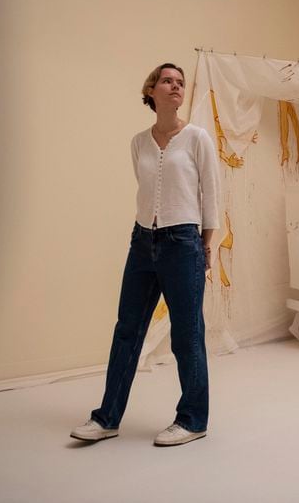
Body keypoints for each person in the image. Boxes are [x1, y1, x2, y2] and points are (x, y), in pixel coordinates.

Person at [70, 62, 220, 447]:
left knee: (187, 335)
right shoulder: (138, 141)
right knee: (127, 331)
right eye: (167, 80)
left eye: (180, 82)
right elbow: (144, 188)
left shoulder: (197, 138)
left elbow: (211, 194)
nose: (175, 86)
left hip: (183, 242)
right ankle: (107, 418)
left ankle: (192, 419)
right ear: (151, 90)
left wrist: (206, 243)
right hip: (142, 241)